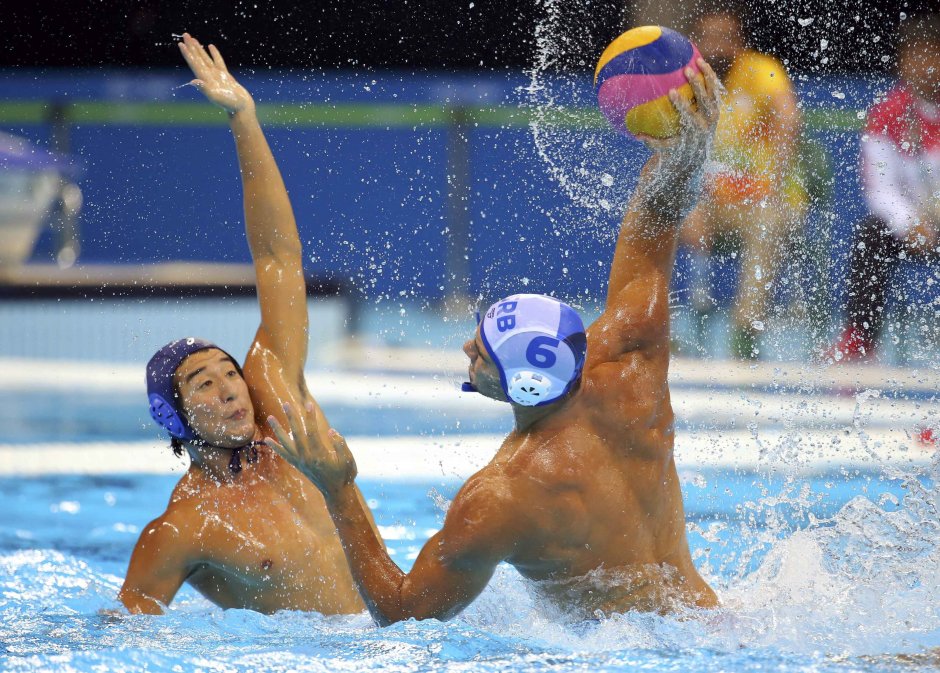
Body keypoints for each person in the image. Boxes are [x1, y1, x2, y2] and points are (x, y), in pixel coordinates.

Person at [266, 60, 723, 624]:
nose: (464, 349)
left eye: (480, 352)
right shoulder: (633, 367)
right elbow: (655, 221)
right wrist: (688, 151)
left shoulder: (503, 495)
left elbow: (404, 612)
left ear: (523, 385)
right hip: (709, 624)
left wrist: (337, 487)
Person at [118, 34, 378, 615]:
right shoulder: (183, 527)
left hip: (398, 629)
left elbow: (278, 259)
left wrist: (244, 118)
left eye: (227, 371)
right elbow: (120, 632)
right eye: (202, 384)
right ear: (176, 419)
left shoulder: (278, 407)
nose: (231, 386)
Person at [681, 9, 808, 359]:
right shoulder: (686, 81)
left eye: (726, 37)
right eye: (709, 37)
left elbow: (788, 119)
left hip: (765, 202)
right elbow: (675, 155)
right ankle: (652, 329)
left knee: (768, 221)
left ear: (740, 43)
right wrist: (688, 206)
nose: (718, 46)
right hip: (710, 207)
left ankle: (745, 333)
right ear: (696, 44)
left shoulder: (763, 71)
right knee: (656, 215)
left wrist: (773, 185)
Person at [827, 13, 940, 363]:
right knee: (870, 235)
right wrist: (910, 224)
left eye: (933, 55)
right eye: (916, 56)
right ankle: (859, 339)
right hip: (914, 220)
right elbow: (880, 188)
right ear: (903, 62)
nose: (926, 66)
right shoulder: (887, 114)